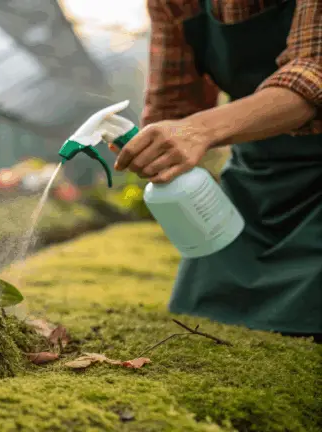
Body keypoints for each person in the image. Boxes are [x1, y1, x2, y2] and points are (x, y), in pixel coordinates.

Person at [108, 0, 321, 342]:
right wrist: (154, 143)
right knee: (205, 322)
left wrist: (200, 130)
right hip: (256, 184)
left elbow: (315, 73)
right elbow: (174, 103)